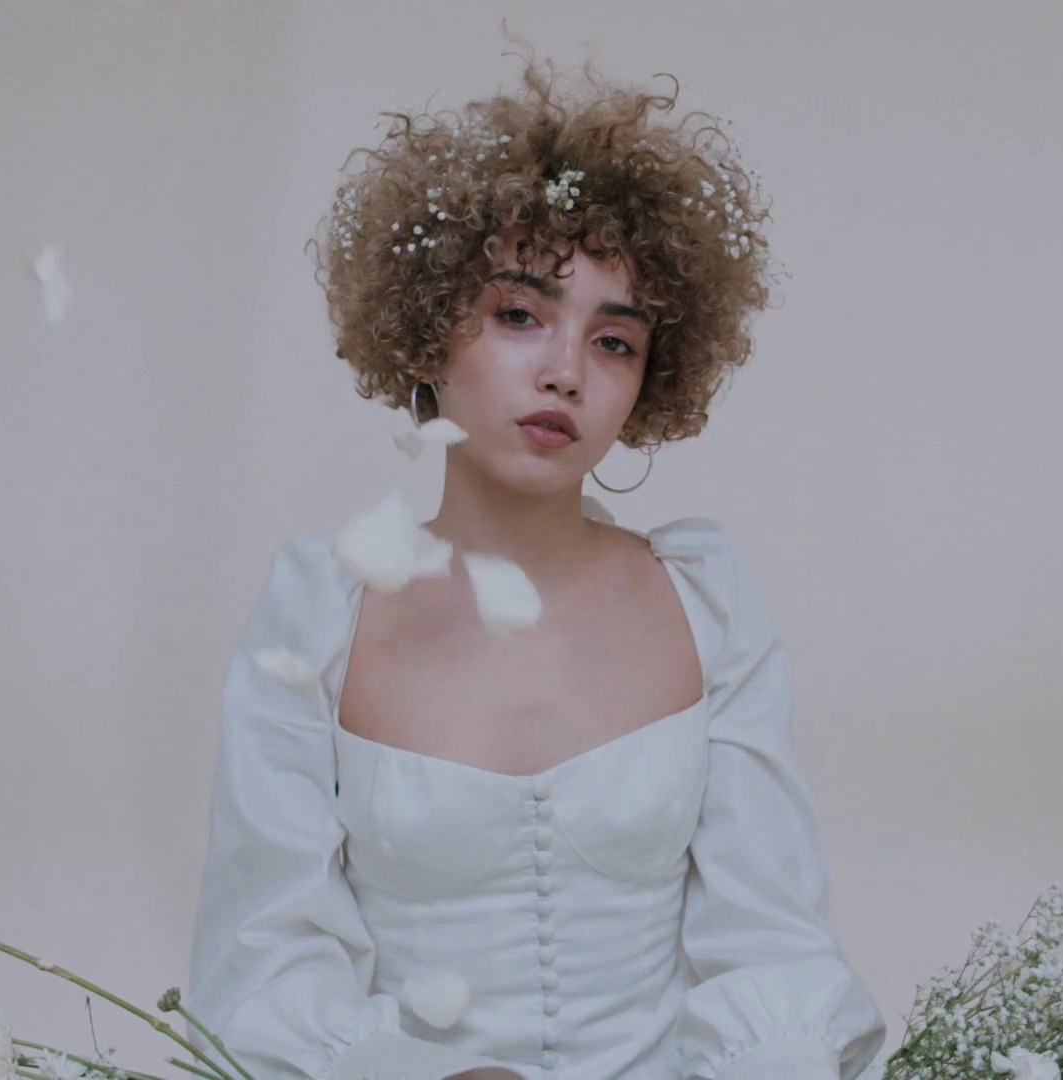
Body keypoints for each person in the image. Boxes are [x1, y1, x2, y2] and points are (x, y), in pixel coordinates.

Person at [186, 53, 887, 1080]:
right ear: (426, 331)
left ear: (652, 380)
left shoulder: (706, 604)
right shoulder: (317, 615)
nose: (565, 371)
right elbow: (262, 962)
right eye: (520, 314)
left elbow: (771, 943)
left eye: (615, 342)